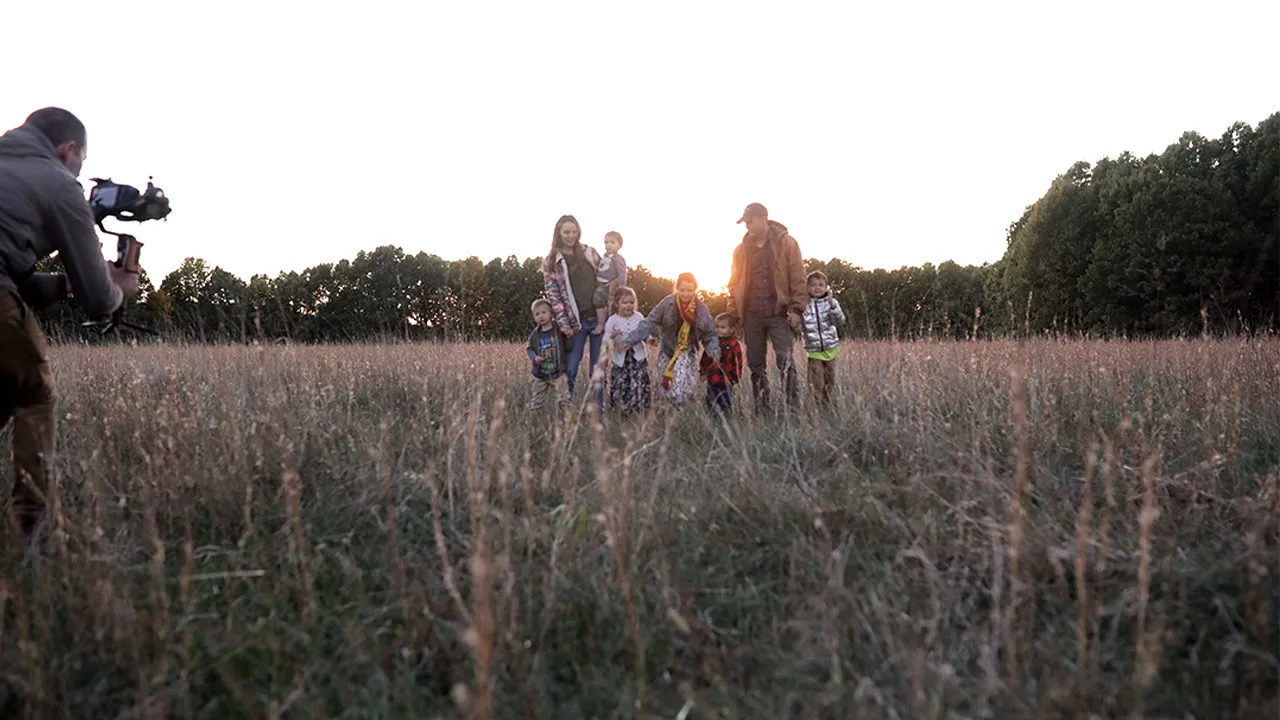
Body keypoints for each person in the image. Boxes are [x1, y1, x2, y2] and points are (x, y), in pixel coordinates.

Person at [1, 107, 141, 541]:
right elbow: (98, 299)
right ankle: (29, 534)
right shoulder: (61, 185)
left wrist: (62, 283)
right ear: (68, 150)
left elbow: (22, 280)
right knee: (33, 396)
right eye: (83, 160)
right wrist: (122, 288)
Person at [726, 202, 807, 414]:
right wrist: (734, 314)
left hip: (779, 314)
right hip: (751, 315)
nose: (747, 227)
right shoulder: (740, 250)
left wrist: (798, 309)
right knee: (755, 365)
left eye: (750, 221)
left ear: (763, 218)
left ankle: (792, 411)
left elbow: (798, 277)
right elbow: (733, 284)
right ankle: (762, 410)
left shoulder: (787, 244)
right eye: (745, 223)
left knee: (786, 363)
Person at [615, 272, 719, 407]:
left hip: (686, 350)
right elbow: (649, 322)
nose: (685, 294)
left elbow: (710, 334)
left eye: (690, 290)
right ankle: (665, 416)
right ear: (677, 288)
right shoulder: (667, 303)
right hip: (667, 348)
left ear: (695, 289)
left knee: (679, 387)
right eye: (682, 290)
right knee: (663, 386)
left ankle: (680, 414)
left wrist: (714, 351)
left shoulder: (701, 309)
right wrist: (629, 340)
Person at [541, 215, 604, 405]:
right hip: (574, 323)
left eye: (574, 232)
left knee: (598, 370)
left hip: (598, 318)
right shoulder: (551, 261)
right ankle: (565, 414)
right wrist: (563, 324)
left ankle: (597, 413)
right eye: (566, 232)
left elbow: (605, 277)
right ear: (558, 233)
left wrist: (606, 304)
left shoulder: (590, 253)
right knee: (570, 369)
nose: (570, 236)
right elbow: (554, 296)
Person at [800, 270, 846, 407]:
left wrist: (833, 307)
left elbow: (840, 322)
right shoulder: (804, 305)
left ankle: (826, 404)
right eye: (813, 285)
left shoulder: (832, 303)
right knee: (816, 380)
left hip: (830, 348)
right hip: (814, 350)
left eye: (821, 285)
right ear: (807, 288)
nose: (817, 288)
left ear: (826, 287)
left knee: (830, 380)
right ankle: (818, 406)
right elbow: (799, 326)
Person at [602, 286, 650, 416]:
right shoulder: (613, 320)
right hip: (621, 359)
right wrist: (613, 337)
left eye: (632, 302)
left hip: (637, 357)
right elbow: (605, 339)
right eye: (625, 302)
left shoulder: (639, 316)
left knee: (637, 382)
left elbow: (644, 333)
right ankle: (622, 411)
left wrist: (650, 340)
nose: (629, 306)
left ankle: (638, 410)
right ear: (617, 303)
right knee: (622, 383)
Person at [527, 298, 573, 419]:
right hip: (540, 374)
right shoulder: (535, 334)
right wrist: (535, 357)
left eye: (544, 312)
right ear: (534, 317)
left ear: (551, 314)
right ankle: (534, 420)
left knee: (564, 398)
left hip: (557, 372)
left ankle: (565, 418)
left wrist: (568, 335)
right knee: (537, 399)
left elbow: (569, 346)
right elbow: (529, 349)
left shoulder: (558, 330)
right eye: (537, 314)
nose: (541, 316)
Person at [700, 312, 743, 418]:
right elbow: (705, 359)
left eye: (723, 327)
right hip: (713, 379)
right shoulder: (712, 343)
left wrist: (736, 377)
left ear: (731, 329)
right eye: (717, 327)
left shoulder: (734, 344)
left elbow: (738, 362)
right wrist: (703, 372)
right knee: (711, 401)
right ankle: (713, 418)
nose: (718, 330)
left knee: (726, 402)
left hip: (727, 380)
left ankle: (725, 419)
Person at [592, 231, 628, 333]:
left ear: (619, 245)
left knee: (598, 299)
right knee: (601, 303)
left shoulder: (619, 259)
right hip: (599, 283)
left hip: (608, 285)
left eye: (612, 242)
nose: (608, 245)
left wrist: (619, 287)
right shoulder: (604, 257)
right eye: (606, 242)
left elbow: (622, 274)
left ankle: (601, 324)